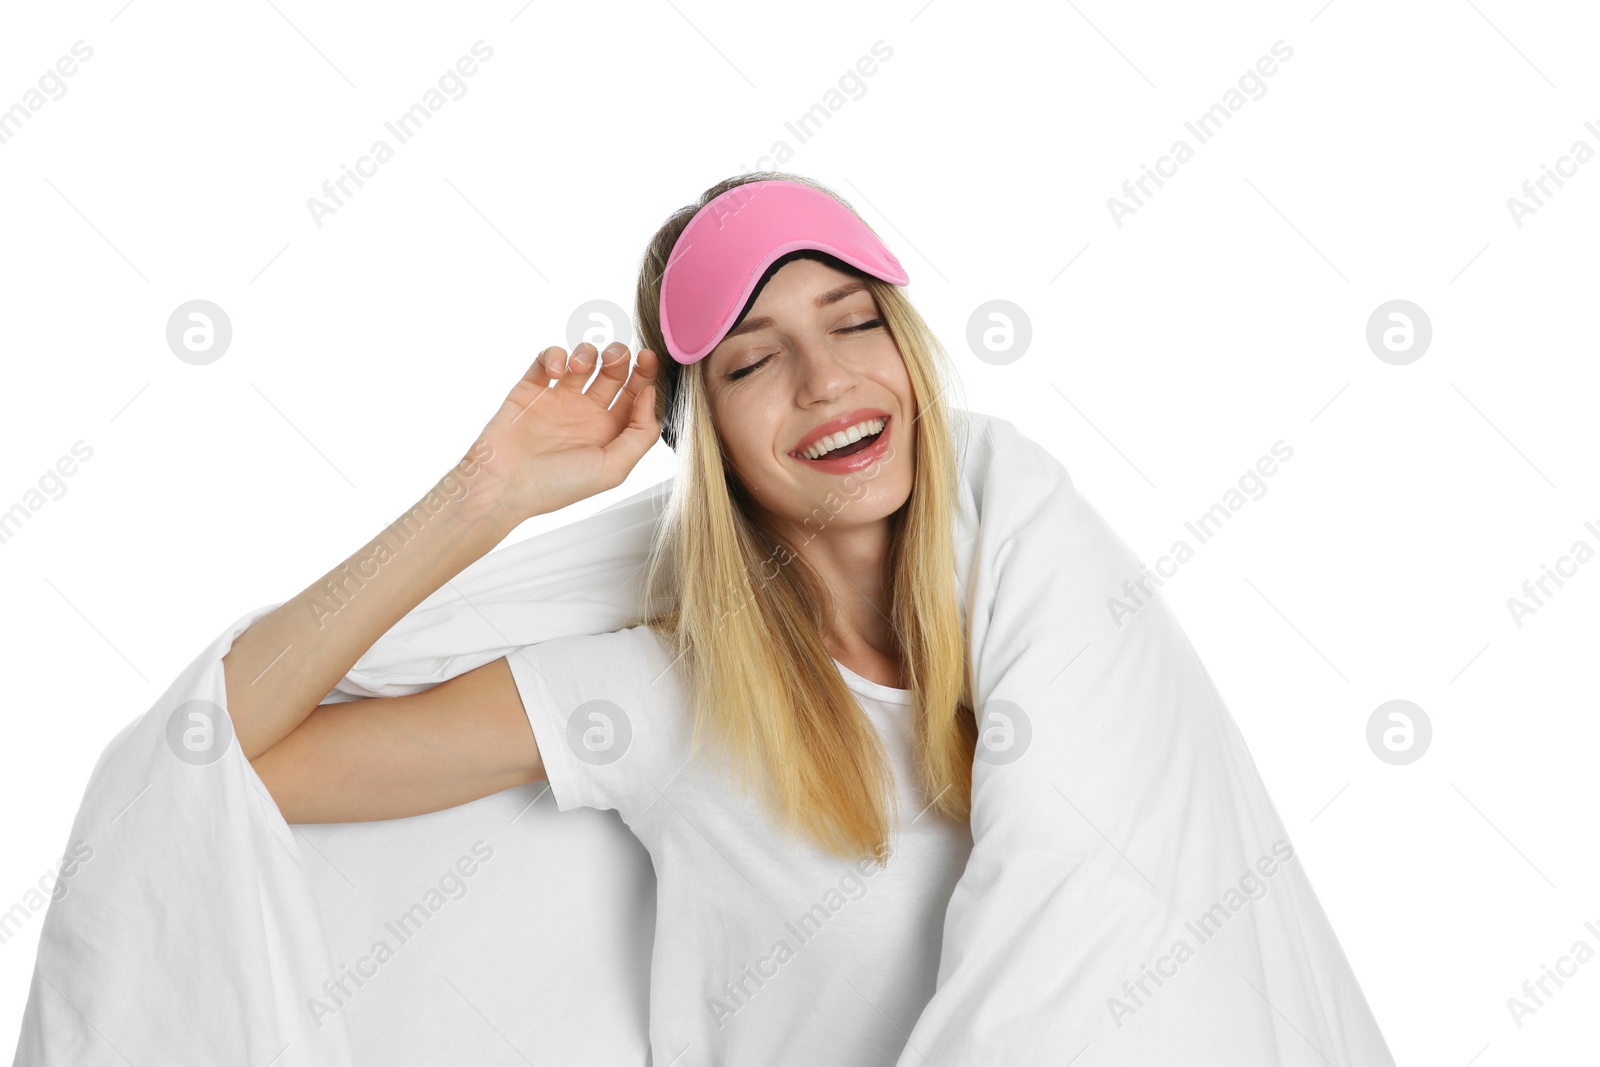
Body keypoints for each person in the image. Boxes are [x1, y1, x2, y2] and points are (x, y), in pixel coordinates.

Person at [222, 172, 978, 1064]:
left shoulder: (1041, 624)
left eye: (854, 321)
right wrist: (483, 497)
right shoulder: (656, 696)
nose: (826, 379)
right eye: (753, 360)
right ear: (704, 439)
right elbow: (218, 751)